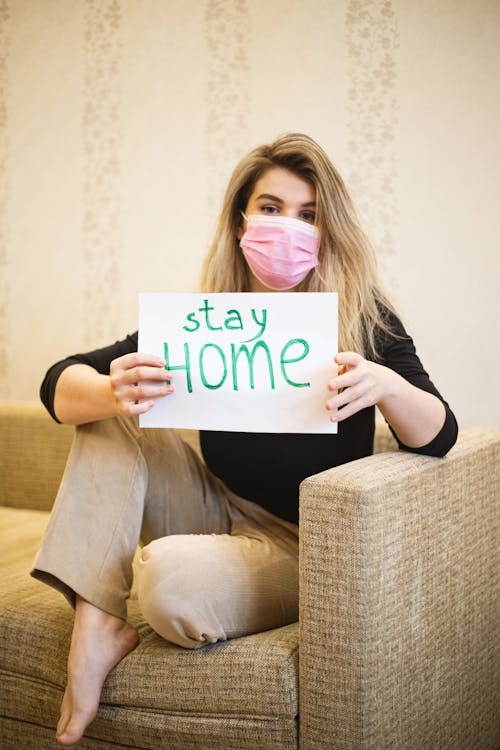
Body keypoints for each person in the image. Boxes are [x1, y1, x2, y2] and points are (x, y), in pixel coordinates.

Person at [33, 132, 458, 746]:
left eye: (308, 215)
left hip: (300, 545)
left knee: (168, 585)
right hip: (212, 507)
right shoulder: (206, 321)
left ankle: (131, 604)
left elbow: (439, 436)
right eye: (270, 207)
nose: (287, 226)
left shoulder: (363, 317)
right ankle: (95, 623)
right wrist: (108, 392)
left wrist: (385, 384)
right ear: (241, 222)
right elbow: (58, 381)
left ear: (328, 231)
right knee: (105, 407)